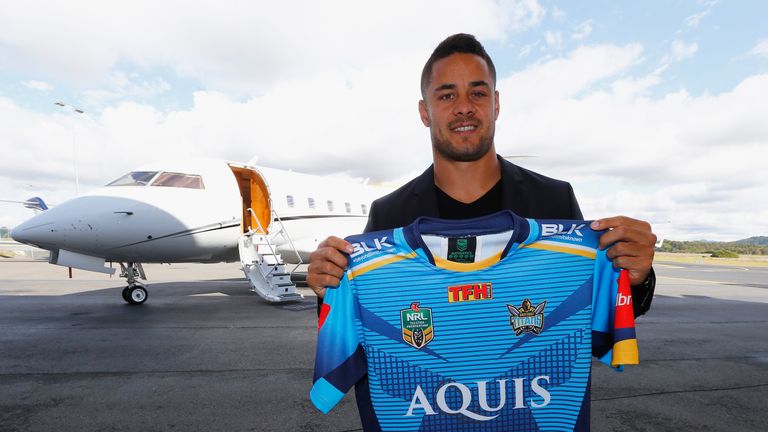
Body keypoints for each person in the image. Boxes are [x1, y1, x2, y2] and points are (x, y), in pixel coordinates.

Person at [308, 33, 656, 428]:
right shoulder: (389, 214)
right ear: (425, 112)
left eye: (477, 93)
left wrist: (637, 276)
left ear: (496, 103)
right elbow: (365, 320)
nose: (463, 108)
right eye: (446, 95)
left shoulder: (555, 201)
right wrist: (328, 287)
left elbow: (592, 311)